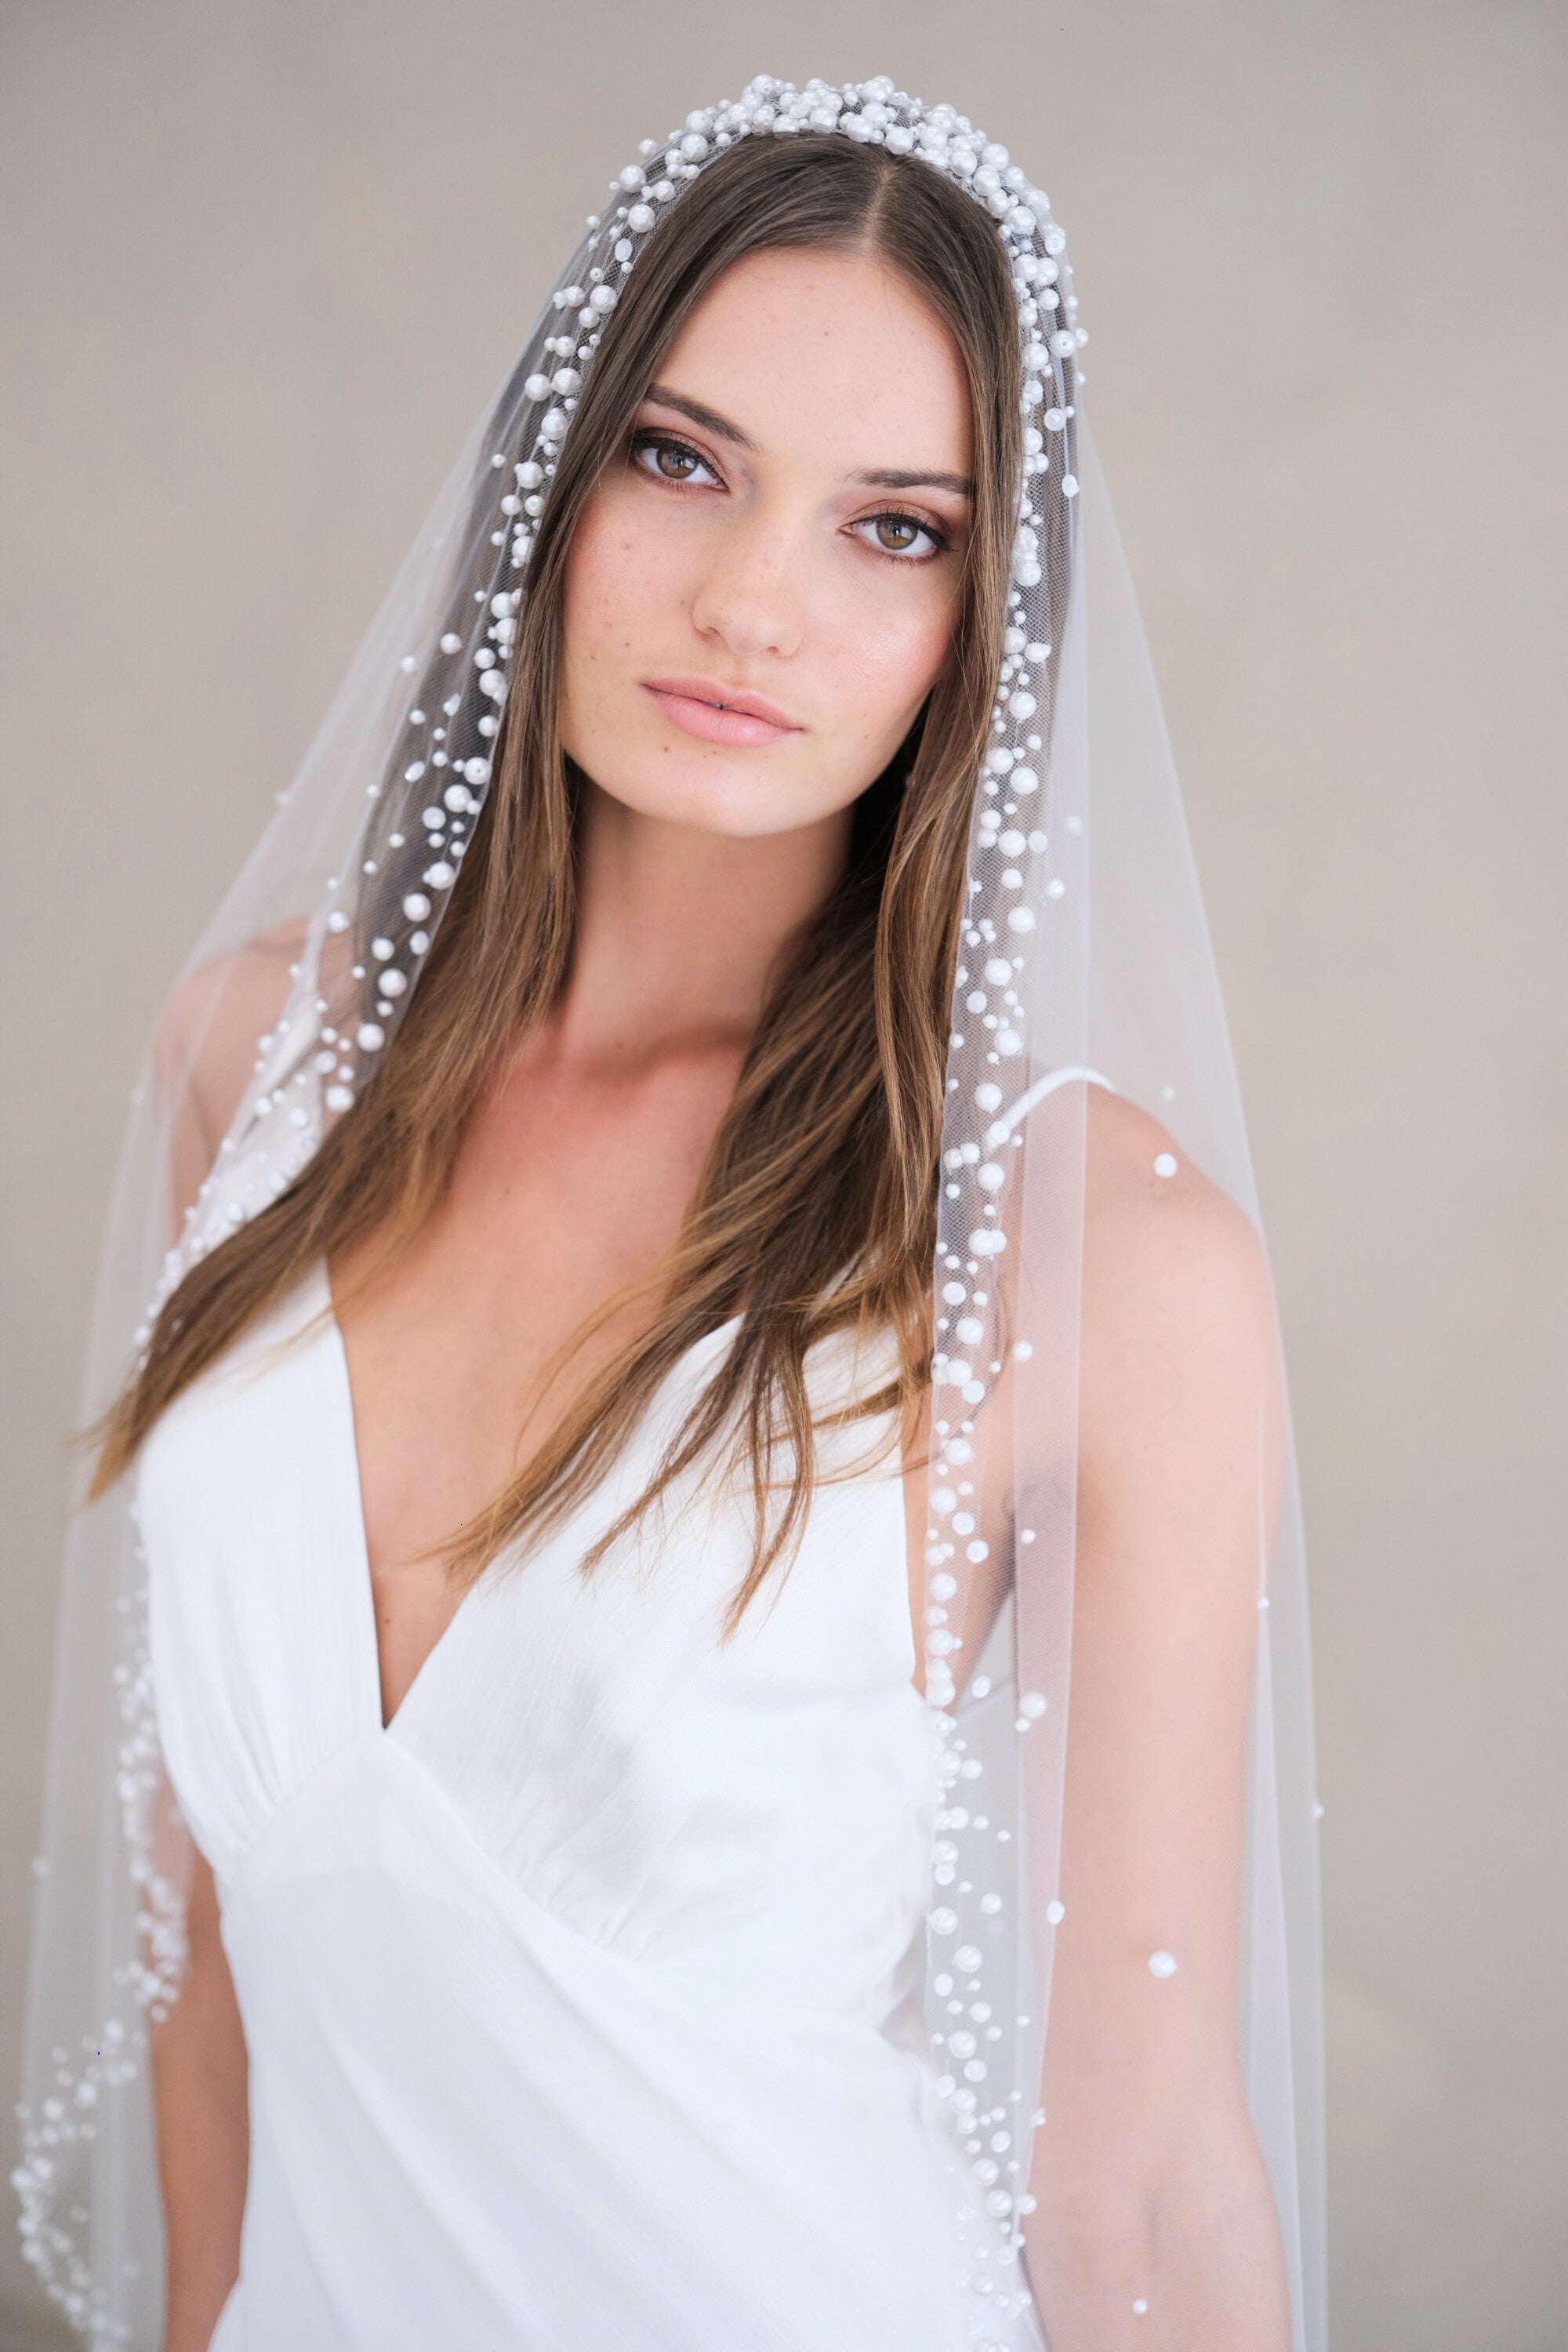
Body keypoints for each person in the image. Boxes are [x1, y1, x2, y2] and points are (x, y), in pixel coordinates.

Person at [18, 76, 1326, 2352]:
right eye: (680, 459)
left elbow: (1142, 2182)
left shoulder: (1098, 1259)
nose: (750, 604)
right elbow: (204, 1911)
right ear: (551, 480)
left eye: (895, 528)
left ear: (984, 624)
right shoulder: (258, 1065)